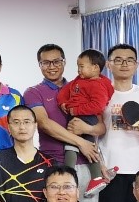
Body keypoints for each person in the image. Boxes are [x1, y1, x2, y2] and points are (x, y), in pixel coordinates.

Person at [81, 44, 139, 202]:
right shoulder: (99, 93)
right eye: (118, 60)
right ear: (108, 65)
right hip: (109, 170)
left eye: (129, 60)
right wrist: (99, 164)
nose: (124, 64)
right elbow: (92, 133)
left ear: (136, 65)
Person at [23, 45, 101, 192]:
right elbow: (44, 124)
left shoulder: (80, 87)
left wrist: (88, 130)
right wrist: (81, 143)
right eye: (46, 63)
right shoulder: (33, 92)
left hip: (87, 163)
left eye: (57, 61)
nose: (52, 66)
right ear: (39, 65)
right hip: (53, 163)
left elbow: (100, 126)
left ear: (64, 62)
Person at [0, 106, 50, 202]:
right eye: (16, 122)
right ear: (9, 127)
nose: (22, 127)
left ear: (35, 125)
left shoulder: (49, 162)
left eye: (27, 122)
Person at [57, 50, 115, 167]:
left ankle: (75, 171)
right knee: (73, 144)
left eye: (82, 66)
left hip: (88, 117)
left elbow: (98, 106)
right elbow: (65, 90)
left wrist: (76, 110)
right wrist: (63, 102)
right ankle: (71, 171)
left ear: (95, 68)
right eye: (78, 66)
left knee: (85, 145)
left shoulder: (98, 85)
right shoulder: (78, 80)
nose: (78, 70)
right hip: (75, 115)